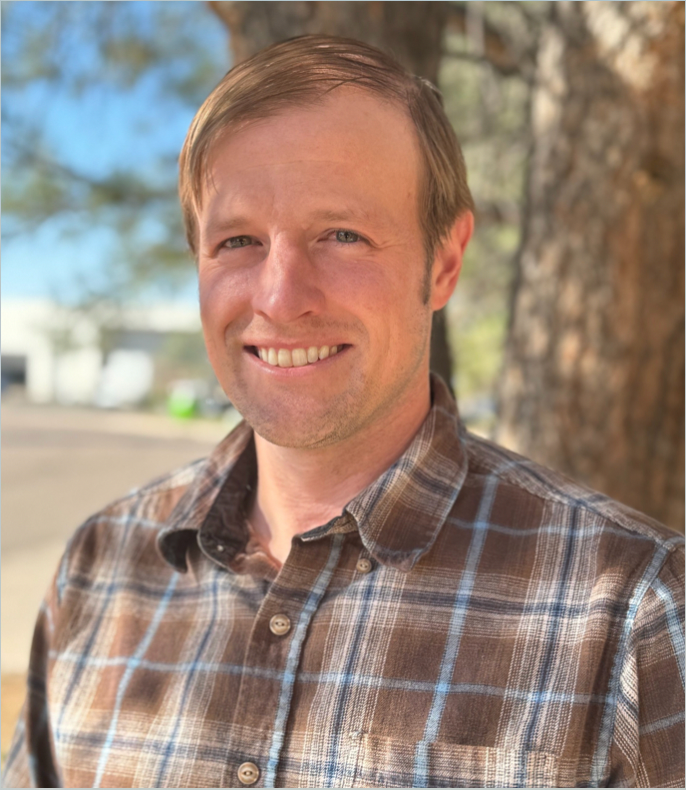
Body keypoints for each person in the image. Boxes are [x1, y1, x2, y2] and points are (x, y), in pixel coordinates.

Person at [4, 35, 683, 789]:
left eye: (343, 235)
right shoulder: (100, 567)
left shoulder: (632, 612)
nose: (280, 296)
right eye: (238, 241)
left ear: (446, 261)